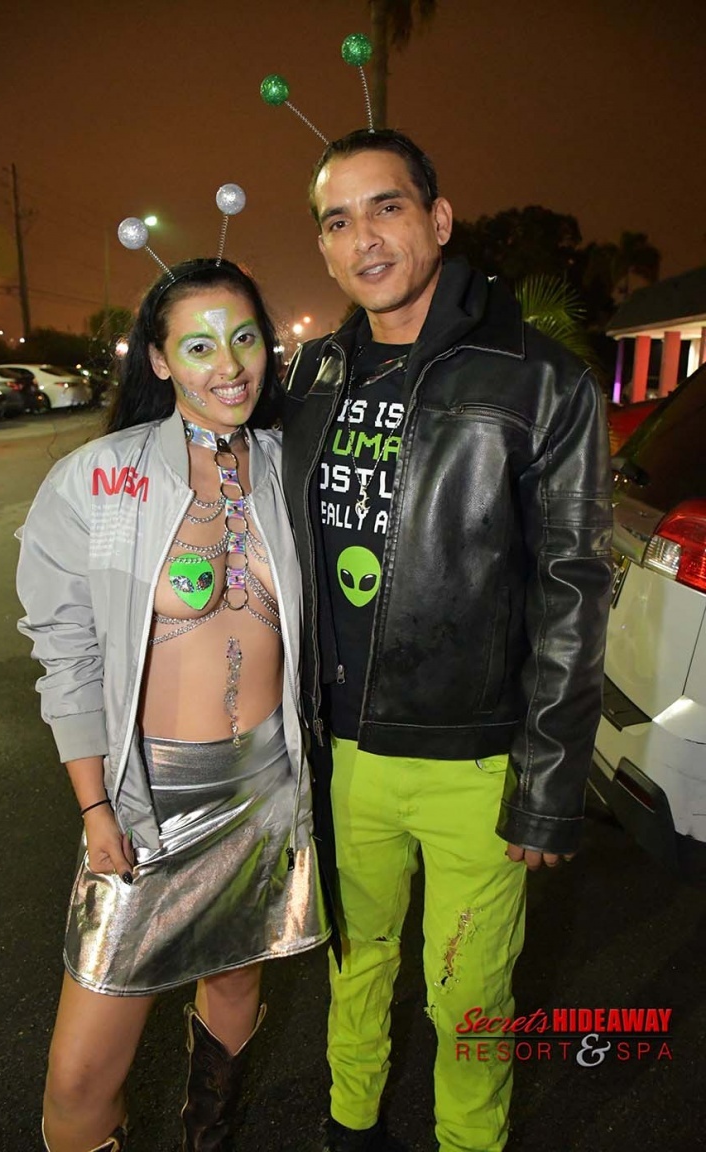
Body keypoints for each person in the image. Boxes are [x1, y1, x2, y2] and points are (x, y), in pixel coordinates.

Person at [280, 129, 613, 1152]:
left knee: (469, 998)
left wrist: (548, 782)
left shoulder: (539, 378)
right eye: (338, 221)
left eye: (386, 207)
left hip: (475, 760)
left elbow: (573, 588)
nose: (365, 239)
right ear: (325, 248)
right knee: (356, 965)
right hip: (341, 752)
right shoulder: (316, 373)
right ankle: (350, 1126)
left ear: (437, 218)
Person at [16, 257, 329, 1152]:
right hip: (149, 804)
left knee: (234, 983)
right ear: (158, 360)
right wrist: (95, 807)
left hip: (264, 791)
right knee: (79, 1079)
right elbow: (66, 652)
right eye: (198, 346)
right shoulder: (100, 477)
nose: (229, 365)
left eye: (245, 338)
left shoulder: (290, 464)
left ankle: (209, 1137)